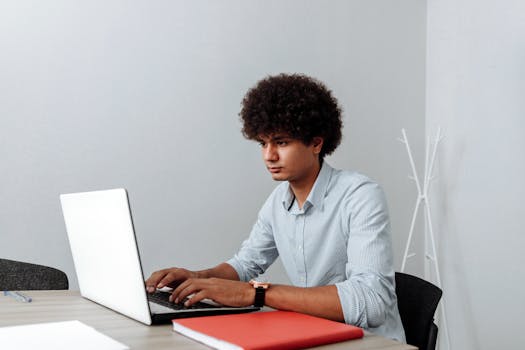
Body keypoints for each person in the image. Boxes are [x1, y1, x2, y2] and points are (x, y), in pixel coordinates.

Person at [146, 73, 405, 341]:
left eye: (281, 142)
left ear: (316, 143)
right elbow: (245, 264)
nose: (269, 155)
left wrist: (256, 293)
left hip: (370, 343)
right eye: (263, 143)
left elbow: (372, 301)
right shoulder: (278, 202)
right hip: (316, 335)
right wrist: (198, 278)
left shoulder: (359, 195)